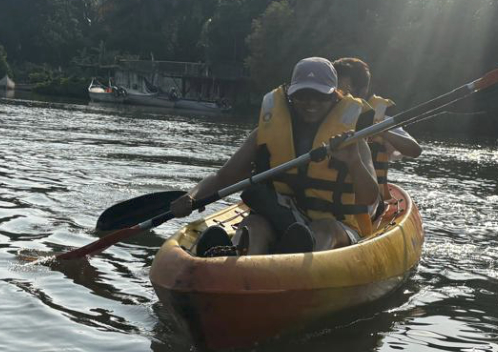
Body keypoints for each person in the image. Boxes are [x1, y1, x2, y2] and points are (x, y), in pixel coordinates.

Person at [170, 57, 380, 256]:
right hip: (283, 219)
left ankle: (303, 261)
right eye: (302, 95)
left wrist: (354, 162)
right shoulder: (266, 133)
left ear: (335, 97)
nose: (310, 103)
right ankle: (231, 256)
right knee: (255, 224)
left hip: (337, 226)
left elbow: (369, 197)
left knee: (324, 229)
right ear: (290, 95)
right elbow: (223, 178)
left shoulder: (352, 140)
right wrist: (192, 196)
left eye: (320, 96)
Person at [332, 58, 422, 215]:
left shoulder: (380, 120)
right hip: (325, 196)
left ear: (362, 90)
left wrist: (381, 131)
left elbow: (414, 150)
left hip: (366, 203)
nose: (338, 95)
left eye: (344, 90)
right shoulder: (321, 116)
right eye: (334, 89)